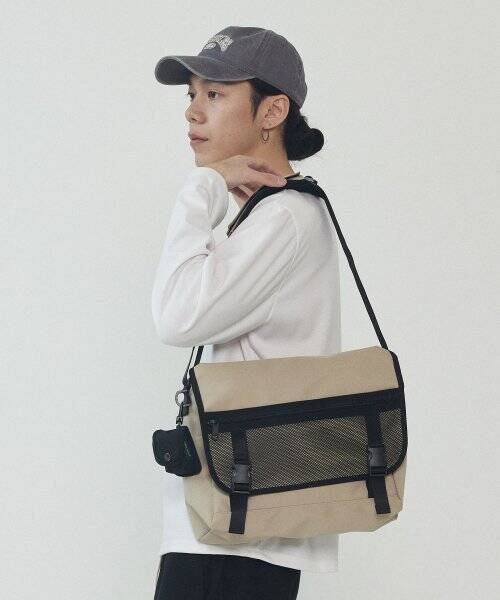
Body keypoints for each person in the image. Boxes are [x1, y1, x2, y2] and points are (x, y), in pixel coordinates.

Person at [151, 26, 341, 599]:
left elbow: (176, 316)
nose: (193, 112)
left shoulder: (283, 219)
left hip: (237, 530)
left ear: (272, 111)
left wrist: (201, 188)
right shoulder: (268, 215)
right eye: (191, 94)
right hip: (232, 518)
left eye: (215, 94)